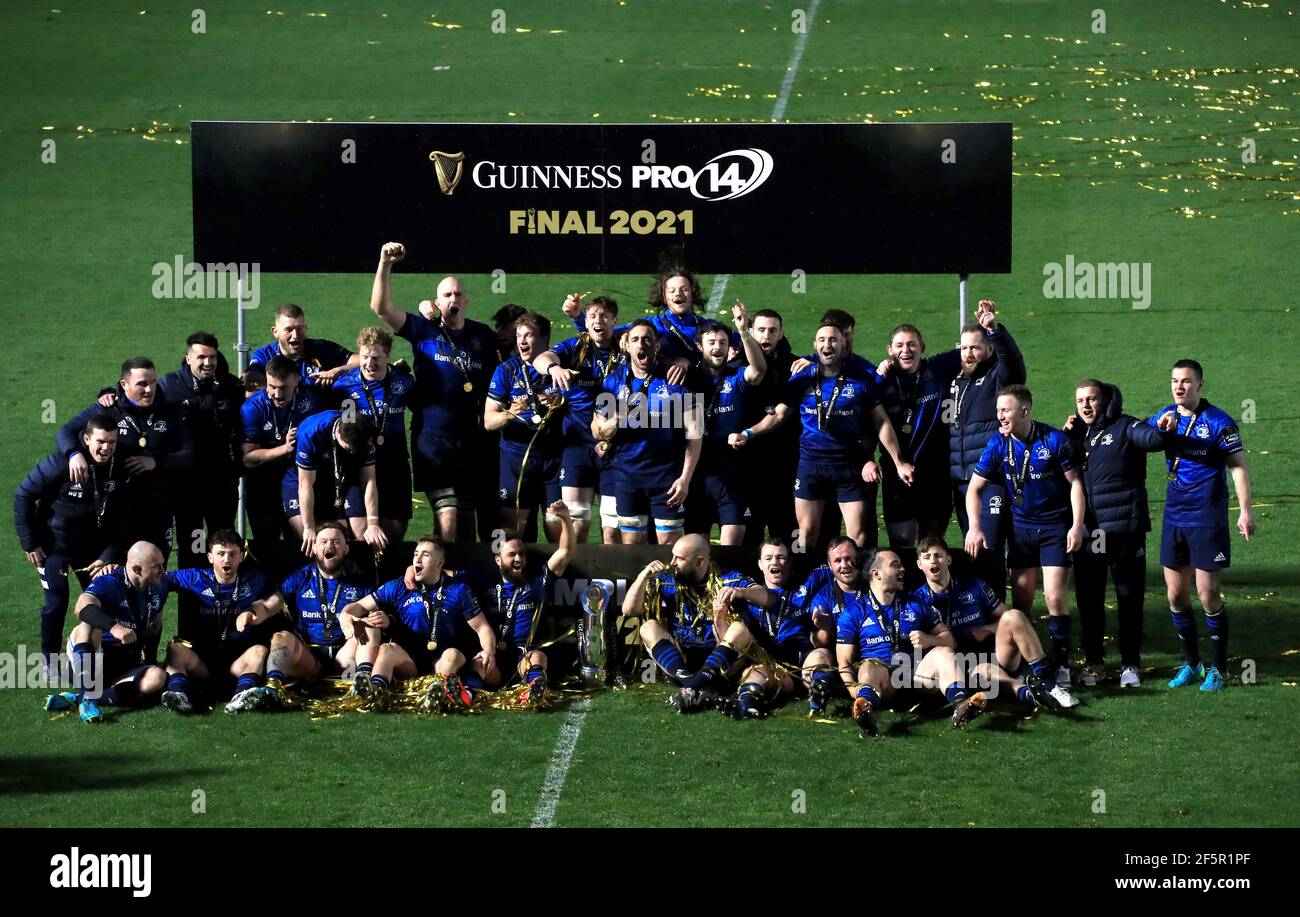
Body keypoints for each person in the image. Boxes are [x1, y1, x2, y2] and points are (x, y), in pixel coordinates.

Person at [370, 242, 499, 541]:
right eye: (446, 295)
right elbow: (381, 308)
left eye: (457, 294)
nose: (452, 299)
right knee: (448, 515)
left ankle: (459, 586)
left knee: (467, 522)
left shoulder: (482, 335)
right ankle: (439, 575)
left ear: (466, 301)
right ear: (436, 302)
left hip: (470, 441)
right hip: (433, 439)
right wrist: (385, 263)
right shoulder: (423, 329)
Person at [966, 385, 1085, 687]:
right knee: (1021, 601)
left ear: (1024, 410)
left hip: (1054, 529)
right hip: (1021, 531)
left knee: (1056, 597)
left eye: (1005, 410)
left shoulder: (1054, 440)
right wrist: (974, 526)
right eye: (998, 411)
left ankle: (1062, 666)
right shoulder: (998, 445)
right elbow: (974, 489)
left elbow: (1075, 485)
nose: (1000, 416)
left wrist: (1076, 525)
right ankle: (1029, 663)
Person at [1150, 359, 1255, 692]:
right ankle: (1192, 664)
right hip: (1174, 517)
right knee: (1175, 595)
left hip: (1207, 518)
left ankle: (1218, 668)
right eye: (1174, 381)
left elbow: (1237, 466)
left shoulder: (1219, 422)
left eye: (1186, 381)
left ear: (1200, 385)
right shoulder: (1166, 416)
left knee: (1208, 595)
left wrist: (1245, 511)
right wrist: (1158, 431)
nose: (1179, 387)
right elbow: (1141, 436)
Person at [1063, 379, 1168, 687]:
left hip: (1125, 532)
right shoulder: (1078, 434)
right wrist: (1067, 434)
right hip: (1089, 533)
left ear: (1106, 401)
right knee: (1089, 600)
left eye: (1092, 399)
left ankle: (1130, 665)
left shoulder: (1126, 427)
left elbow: (1152, 438)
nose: (1085, 405)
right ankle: (1094, 664)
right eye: (1080, 400)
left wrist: (1162, 429)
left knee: (1129, 599)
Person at [777, 321, 914, 550]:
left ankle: (855, 584)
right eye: (822, 340)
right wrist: (750, 432)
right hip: (811, 463)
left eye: (833, 340)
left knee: (857, 537)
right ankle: (807, 583)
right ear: (815, 345)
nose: (827, 344)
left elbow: (881, 422)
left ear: (844, 344)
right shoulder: (801, 378)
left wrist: (898, 462)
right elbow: (779, 414)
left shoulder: (861, 379)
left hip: (848, 464)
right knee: (806, 534)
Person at [15, 414, 132, 672]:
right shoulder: (60, 463)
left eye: (112, 442)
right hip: (52, 549)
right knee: (56, 603)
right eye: (101, 441)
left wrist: (108, 555)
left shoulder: (119, 468)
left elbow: (124, 518)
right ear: (87, 439)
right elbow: (23, 494)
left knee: (101, 601)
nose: (106, 448)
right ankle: (50, 661)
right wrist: (30, 543)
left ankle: (102, 660)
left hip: (92, 552)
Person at [912, 536, 1076, 710]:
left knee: (1014, 616)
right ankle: (1032, 694)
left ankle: (1047, 681)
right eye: (927, 557)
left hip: (996, 653)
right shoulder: (917, 601)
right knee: (988, 675)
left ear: (948, 559)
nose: (933, 560)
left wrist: (987, 629)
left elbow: (1004, 616)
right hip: (957, 667)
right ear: (919, 564)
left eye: (938, 555)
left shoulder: (974, 584)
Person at [836, 549, 987, 734]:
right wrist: (855, 692)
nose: (902, 569)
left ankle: (961, 705)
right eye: (895, 565)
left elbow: (950, 640)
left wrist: (929, 639)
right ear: (876, 573)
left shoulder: (915, 603)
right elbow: (843, 661)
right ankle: (866, 710)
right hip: (883, 684)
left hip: (915, 678)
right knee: (868, 666)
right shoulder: (854, 612)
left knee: (944, 652)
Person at [230, 523, 379, 707]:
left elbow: (377, 614)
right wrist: (251, 613)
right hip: (309, 658)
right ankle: (272, 689)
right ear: (314, 547)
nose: (329, 547)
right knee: (281, 637)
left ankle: (363, 683)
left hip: (346, 655)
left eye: (336, 542)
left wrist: (379, 619)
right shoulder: (301, 577)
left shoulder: (360, 580)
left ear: (346, 548)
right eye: (323, 541)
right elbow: (269, 605)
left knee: (369, 626)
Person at [58, 357, 194, 556]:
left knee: (156, 570)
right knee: (119, 572)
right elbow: (66, 430)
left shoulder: (171, 412)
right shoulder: (109, 408)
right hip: (119, 510)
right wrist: (74, 454)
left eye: (153, 382)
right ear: (124, 384)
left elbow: (189, 455)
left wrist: (156, 462)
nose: (149, 389)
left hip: (158, 508)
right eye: (142, 384)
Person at [340, 535, 494, 711]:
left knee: (453, 654)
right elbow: (360, 605)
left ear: (440, 562)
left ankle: (437, 694)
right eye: (415, 554)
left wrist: (488, 650)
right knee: (387, 649)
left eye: (425, 555)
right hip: (409, 659)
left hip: (441, 659)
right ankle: (374, 692)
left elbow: (482, 627)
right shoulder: (399, 586)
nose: (417, 559)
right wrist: (345, 614)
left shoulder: (459, 590)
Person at [593, 320, 702, 545]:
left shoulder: (676, 380)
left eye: (647, 339)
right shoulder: (613, 382)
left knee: (670, 548)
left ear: (657, 346)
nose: (641, 344)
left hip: (666, 478)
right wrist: (616, 420)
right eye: (635, 340)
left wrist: (685, 478)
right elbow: (597, 430)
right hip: (626, 477)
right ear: (627, 346)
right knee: (632, 549)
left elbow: (695, 432)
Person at [622, 534, 754, 711]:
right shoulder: (667, 579)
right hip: (681, 660)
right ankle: (695, 684)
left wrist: (741, 592)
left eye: (680, 558)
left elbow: (765, 595)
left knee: (740, 629)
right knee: (648, 627)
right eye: (673, 555)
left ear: (699, 562)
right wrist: (642, 577)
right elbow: (629, 610)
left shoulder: (727, 579)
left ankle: (691, 688)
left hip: (720, 663)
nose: (672, 562)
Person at [948, 300, 1026, 595]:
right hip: (962, 482)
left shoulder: (997, 378)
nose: (969, 353)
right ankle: (984, 619)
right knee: (973, 551)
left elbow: (1015, 366)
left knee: (989, 548)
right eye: (964, 348)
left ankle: (1000, 622)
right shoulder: (957, 382)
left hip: (990, 480)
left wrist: (995, 330)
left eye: (976, 347)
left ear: (988, 350)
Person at [873, 324, 963, 581]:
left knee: (932, 543)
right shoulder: (881, 380)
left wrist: (990, 327)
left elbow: (973, 348)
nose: (906, 350)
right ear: (890, 350)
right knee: (901, 542)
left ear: (922, 347)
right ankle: (906, 596)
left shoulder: (939, 368)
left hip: (936, 474)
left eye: (912, 344)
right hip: (897, 475)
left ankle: (934, 593)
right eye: (899, 345)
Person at [44, 541, 169, 723]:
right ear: (137, 569)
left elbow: (156, 623)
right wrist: (114, 627)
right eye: (156, 566)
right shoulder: (109, 581)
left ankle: (79, 699)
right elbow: (82, 606)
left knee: (157, 677)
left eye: (163, 564)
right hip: (91, 661)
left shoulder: (160, 585)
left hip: (124, 667)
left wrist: (150, 659)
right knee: (87, 626)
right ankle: (86, 696)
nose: (163, 570)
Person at [534, 295, 624, 543]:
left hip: (615, 447)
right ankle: (572, 581)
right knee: (576, 525)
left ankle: (609, 582)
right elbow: (541, 359)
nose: (599, 320)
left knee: (612, 529)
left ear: (615, 320)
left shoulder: (624, 345)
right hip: (577, 446)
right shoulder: (575, 347)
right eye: (593, 315)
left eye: (605, 316)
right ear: (586, 321)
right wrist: (555, 368)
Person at [468, 501, 575, 707]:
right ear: (498, 561)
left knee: (538, 656)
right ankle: (466, 695)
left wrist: (566, 519)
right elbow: (443, 575)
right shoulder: (482, 583)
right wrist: (411, 570)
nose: (518, 559)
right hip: (494, 659)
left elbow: (566, 551)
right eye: (511, 555)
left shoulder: (538, 582)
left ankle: (534, 690)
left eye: (521, 554)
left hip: (523, 657)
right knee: (478, 661)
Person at [158, 530, 276, 714]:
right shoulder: (194, 577)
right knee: (175, 648)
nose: (226, 560)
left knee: (259, 650)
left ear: (241, 557)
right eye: (221, 554)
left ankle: (241, 695)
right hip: (203, 663)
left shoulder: (256, 580)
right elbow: (158, 578)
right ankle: (178, 695)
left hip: (238, 662)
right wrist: (118, 570)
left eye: (232, 554)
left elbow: (281, 594)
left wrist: (254, 611)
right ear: (210, 557)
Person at [158, 332, 244, 570]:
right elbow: (137, 393)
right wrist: (108, 392)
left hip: (223, 482)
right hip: (188, 485)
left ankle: (223, 599)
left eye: (212, 357)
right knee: (191, 543)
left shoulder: (230, 385)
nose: (208, 363)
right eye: (201, 357)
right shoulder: (169, 386)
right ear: (188, 358)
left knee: (224, 542)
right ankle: (192, 603)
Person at [685, 302, 767, 545]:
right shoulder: (689, 378)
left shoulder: (737, 375)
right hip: (699, 475)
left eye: (722, 342)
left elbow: (759, 368)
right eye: (711, 343)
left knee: (732, 549)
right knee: (696, 548)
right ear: (700, 346)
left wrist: (743, 331)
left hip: (733, 475)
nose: (717, 347)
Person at [716, 538, 825, 719]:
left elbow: (838, 569)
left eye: (780, 557)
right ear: (759, 564)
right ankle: (745, 704)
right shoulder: (747, 599)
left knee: (820, 656)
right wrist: (719, 615)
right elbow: (726, 644)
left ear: (790, 562)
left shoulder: (808, 583)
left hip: (802, 664)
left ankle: (820, 696)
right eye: (768, 558)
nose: (774, 562)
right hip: (770, 666)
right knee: (758, 674)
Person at [332, 327, 417, 543]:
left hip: (394, 462)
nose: (369, 364)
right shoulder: (343, 386)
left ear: (387, 355)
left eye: (376, 358)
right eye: (365, 357)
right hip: (356, 464)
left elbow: (424, 411)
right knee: (361, 537)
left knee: (393, 536)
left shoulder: (404, 383)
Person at [485, 312, 564, 537]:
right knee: (514, 531)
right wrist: (509, 413)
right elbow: (489, 421)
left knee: (556, 527)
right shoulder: (506, 371)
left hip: (554, 460)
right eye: (519, 335)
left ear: (544, 339)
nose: (521, 341)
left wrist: (560, 403)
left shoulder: (558, 367)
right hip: (516, 460)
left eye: (528, 335)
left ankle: (556, 572)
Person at [240, 355, 326, 545]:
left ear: (296, 380)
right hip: (262, 479)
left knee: (299, 538)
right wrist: (284, 448)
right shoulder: (252, 408)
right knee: (266, 541)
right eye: (272, 387)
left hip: (298, 474)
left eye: (283, 388)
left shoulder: (310, 395)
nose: (277, 394)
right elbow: (247, 458)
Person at [734, 308, 798, 547]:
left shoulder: (794, 367)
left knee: (785, 532)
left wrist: (748, 433)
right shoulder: (737, 363)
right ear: (751, 331)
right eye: (761, 330)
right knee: (750, 534)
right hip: (746, 466)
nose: (766, 336)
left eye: (772, 330)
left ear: (781, 334)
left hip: (784, 465)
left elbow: (780, 414)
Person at [293, 410, 386, 554]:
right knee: (317, 538)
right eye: (349, 448)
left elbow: (368, 480)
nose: (353, 452)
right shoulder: (311, 433)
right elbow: (305, 484)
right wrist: (309, 528)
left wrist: (373, 523)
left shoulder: (366, 432)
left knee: (361, 533)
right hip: (314, 473)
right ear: (337, 432)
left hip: (347, 472)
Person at [244, 303, 357, 390]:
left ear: (305, 328)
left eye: (299, 328)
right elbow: (251, 377)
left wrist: (338, 371)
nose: (295, 335)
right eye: (288, 330)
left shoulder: (321, 348)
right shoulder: (265, 355)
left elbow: (363, 360)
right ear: (275, 332)